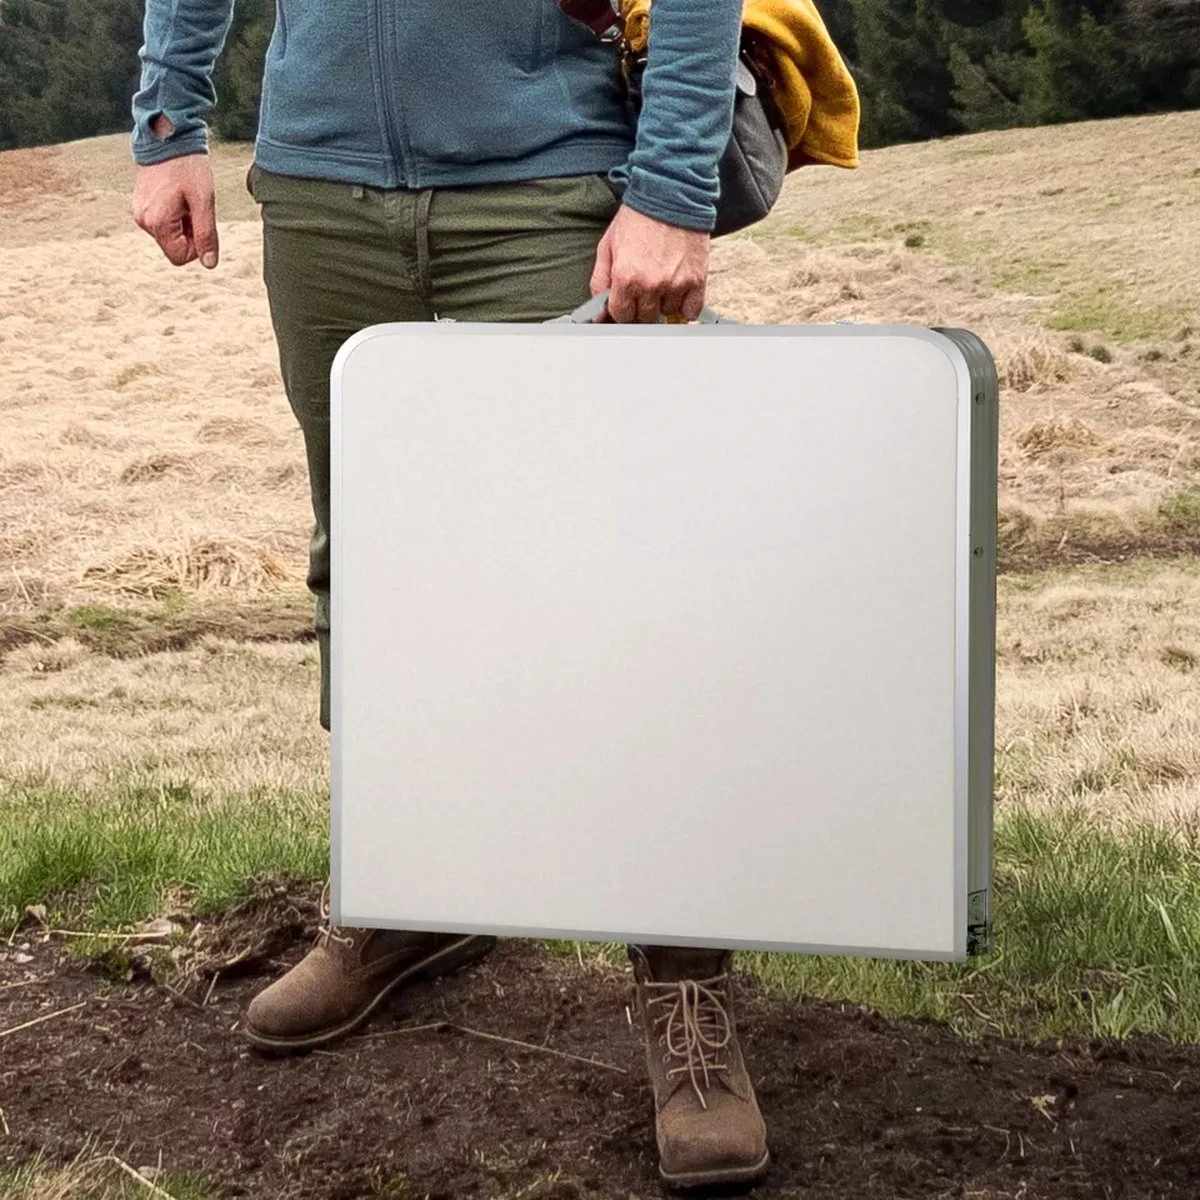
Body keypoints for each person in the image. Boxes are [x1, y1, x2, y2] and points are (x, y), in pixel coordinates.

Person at [130, 0, 769, 1187]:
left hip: (546, 179)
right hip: (319, 190)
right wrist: (169, 118)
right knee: (374, 566)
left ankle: (685, 988)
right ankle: (412, 891)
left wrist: (677, 187)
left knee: (617, 590)